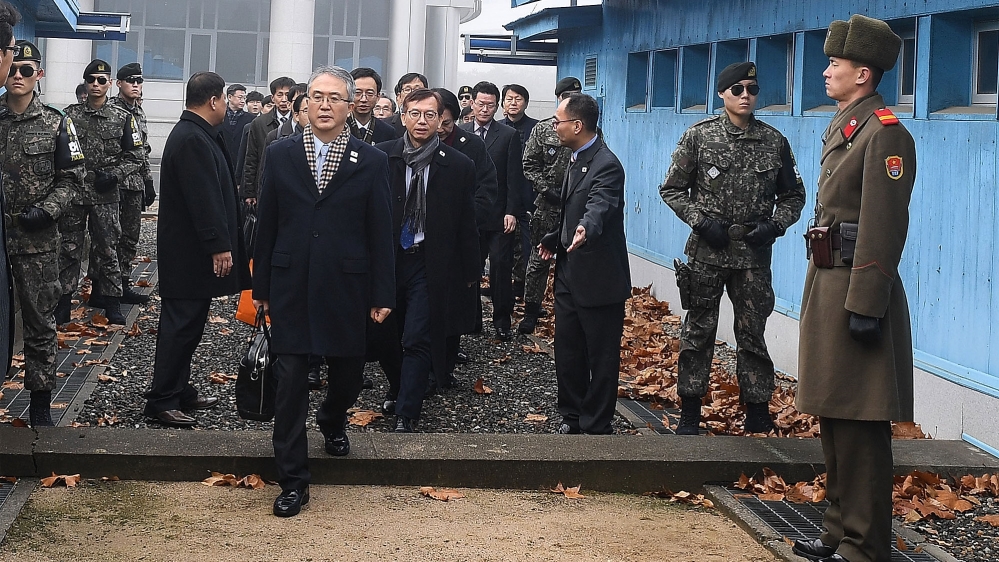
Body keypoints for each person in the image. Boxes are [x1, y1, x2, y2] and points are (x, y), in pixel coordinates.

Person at [792, 15, 916, 562]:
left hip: (857, 289)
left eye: (834, 65)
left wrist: (866, 303)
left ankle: (865, 548)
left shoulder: (885, 131)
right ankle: (838, 532)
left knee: (862, 424)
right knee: (835, 413)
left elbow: (884, 224)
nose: (826, 71)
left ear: (863, 73)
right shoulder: (847, 123)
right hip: (828, 281)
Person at [253, 65, 394, 518]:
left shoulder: (370, 161)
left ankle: (333, 419)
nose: (325, 105)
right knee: (290, 381)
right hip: (291, 283)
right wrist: (262, 288)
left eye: (335, 97)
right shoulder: (280, 154)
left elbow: (380, 231)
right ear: (304, 103)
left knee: (348, 375)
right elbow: (268, 223)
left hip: (347, 286)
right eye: (317, 96)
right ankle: (293, 479)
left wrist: (382, 293)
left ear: (351, 105)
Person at [659, 61, 805, 435]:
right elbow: (672, 188)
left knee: (752, 333)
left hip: (753, 258)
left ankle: (757, 409)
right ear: (722, 93)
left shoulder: (774, 142)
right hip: (707, 253)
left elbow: (793, 195)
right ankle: (691, 410)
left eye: (752, 90)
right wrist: (700, 221)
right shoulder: (699, 137)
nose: (745, 96)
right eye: (737, 89)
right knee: (698, 332)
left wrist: (774, 225)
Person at [144, 72, 250, 428]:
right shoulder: (192, 138)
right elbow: (203, 199)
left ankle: (179, 388)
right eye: (224, 99)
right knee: (180, 326)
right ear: (215, 100)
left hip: (190, 254)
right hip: (188, 255)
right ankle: (162, 399)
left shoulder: (198, 133)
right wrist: (219, 246)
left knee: (190, 326)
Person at [375, 89, 479, 432]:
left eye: (430, 115)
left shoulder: (458, 165)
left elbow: (467, 220)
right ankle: (397, 386)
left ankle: (408, 410)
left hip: (429, 262)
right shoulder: (381, 158)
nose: (422, 121)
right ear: (403, 116)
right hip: (388, 260)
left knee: (418, 336)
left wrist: (469, 271)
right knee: (386, 335)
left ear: (442, 120)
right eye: (415, 114)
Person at [0, 39, 85, 426]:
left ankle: (39, 403)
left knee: (39, 323)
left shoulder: (56, 122)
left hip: (36, 243)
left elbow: (73, 180)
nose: (17, 76)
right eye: (13, 69)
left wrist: (47, 210)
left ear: (40, 75)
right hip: (0, 245)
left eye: (26, 71)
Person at [537, 93, 630, 435]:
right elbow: (572, 207)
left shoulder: (606, 163)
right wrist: (556, 236)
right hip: (569, 272)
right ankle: (572, 415)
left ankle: (596, 421)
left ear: (577, 125)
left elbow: (599, 206)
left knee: (601, 356)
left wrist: (584, 229)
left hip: (599, 278)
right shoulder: (575, 158)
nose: (554, 127)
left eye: (557, 121)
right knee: (568, 350)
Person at [60, 59, 145, 326]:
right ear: (85, 83)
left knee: (108, 249)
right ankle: (62, 303)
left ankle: (112, 303)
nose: (96, 85)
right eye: (91, 80)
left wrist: (116, 175)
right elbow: (58, 152)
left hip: (105, 196)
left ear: (109, 83)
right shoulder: (69, 115)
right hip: (75, 194)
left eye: (101, 80)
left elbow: (136, 155)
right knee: (69, 249)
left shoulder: (123, 118)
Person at [432, 87, 497, 373]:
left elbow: (486, 191)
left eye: (445, 123)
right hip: (419, 243)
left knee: (453, 305)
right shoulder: (408, 145)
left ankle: (445, 363)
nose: (439, 128)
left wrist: (464, 221)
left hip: (458, 242)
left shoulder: (471, 146)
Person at [459, 81, 525, 341]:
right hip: (470, 214)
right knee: (470, 268)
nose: (485, 109)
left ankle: (502, 320)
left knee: (500, 265)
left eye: (490, 105)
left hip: (499, 215)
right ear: (472, 103)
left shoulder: (508, 135)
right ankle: (472, 319)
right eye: (481, 104)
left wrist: (512, 211)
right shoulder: (462, 133)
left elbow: (514, 177)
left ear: (497, 106)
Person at [519, 76, 582, 334]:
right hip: (547, 205)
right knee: (538, 259)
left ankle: (569, 310)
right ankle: (531, 311)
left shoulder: (588, 129)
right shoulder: (544, 129)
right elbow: (529, 165)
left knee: (575, 260)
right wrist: (547, 188)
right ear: (559, 97)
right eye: (568, 95)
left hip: (576, 205)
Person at [106, 62, 154, 306]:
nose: (136, 85)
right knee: (109, 238)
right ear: (119, 83)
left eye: (139, 81)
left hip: (134, 184)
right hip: (115, 185)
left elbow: (142, 151)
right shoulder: (112, 109)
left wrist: (148, 181)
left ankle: (123, 283)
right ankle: (107, 288)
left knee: (130, 237)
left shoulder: (138, 111)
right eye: (130, 81)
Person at [500, 84, 538, 300]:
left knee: (529, 248)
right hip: (504, 198)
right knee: (503, 250)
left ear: (526, 102)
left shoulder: (536, 128)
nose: (513, 103)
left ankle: (527, 292)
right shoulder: (497, 128)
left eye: (518, 99)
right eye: (509, 99)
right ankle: (505, 289)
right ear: (503, 103)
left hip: (530, 197)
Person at [240, 76, 296, 204]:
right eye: (279, 95)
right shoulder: (259, 123)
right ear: (272, 97)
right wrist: (249, 191)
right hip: (265, 182)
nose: (283, 99)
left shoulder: (300, 119)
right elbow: (251, 158)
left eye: (287, 95)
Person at [348, 67, 397, 145]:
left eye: (369, 93)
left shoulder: (387, 132)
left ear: (378, 97)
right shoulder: (338, 128)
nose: (363, 99)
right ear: (349, 95)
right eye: (358, 93)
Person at [220, 83, 256, 165]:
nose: (243, 101)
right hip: (222, 161)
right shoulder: (218, 116)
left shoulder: (251, 119)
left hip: (241, 163)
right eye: (240, 98)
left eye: (244, 98)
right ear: (229, 97)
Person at [386, 72, 427, 137]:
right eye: (407, 89)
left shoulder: (433, 122)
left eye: (418, 89)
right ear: (399, 97)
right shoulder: (386, 125)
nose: (412, 93)